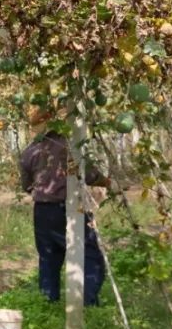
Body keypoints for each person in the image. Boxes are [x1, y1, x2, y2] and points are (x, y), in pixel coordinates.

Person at [19, 108, 110, 307]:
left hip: (42, 211)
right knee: (90, 254)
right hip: (68, 207)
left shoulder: (29, 152)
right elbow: (89, 174)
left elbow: (26, 186)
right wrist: (107, 182)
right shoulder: (69, 147)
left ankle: (47, 302)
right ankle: (88, 301)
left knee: (48, 257)